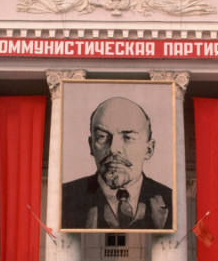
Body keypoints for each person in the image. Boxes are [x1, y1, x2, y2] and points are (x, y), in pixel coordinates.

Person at [61, 97, 173, 230]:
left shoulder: (172, 200)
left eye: (128, 137)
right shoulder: (64, 198)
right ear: (91, 145)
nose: (113, 148)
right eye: (102, 136)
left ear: (149, 149)